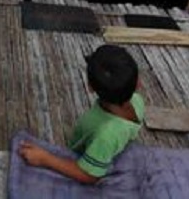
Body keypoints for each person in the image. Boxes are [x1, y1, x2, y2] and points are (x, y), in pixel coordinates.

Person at [18, 45, 144, 184]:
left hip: (88, 154)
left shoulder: (106, 136)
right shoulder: (137, 101)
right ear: (138, 83)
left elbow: (89, 176)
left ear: (89, 87)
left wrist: (45, 159)